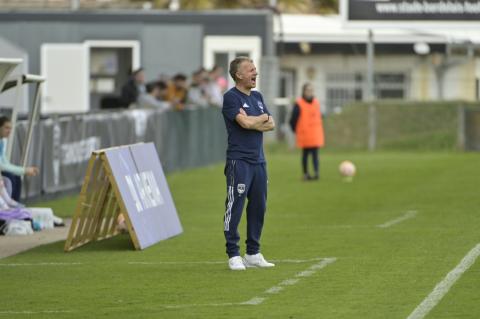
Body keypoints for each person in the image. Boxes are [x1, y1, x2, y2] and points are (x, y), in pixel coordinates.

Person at [222, 56, 275, 271]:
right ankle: (233, 254)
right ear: (239, 75)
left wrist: (256, 119)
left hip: (259, 162)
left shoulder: (258, 97)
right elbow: (243, 122)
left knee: (259, 206)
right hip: (239, 161)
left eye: (255, 69)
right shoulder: (231, 98)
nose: (255, 72)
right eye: (250, 69)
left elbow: (271, 124)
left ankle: (253, 252)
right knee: (235, 205)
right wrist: (257, 120)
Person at [289, 83, 325, 181]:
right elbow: (293, 120)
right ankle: (306, 174)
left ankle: (316, 173)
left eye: (311, 90)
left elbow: (319, 116)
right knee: (305, 155)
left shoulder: (316, 103)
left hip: (315, 134)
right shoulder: (299, 104)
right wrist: (296, 130)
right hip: (305, 134)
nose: (310, 92)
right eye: (308, 90)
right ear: (303, 92)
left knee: (315, 155)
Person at [0, 116, 39, 201]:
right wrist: (24, 170)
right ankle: (8, 207)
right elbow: (2, 166)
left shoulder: (3, 141)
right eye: (6, 128)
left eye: (10, 128)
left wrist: (24, 170)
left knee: (16, 177)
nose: (9, 131)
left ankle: (15, 207)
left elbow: (5, 163)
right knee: (9, 178)